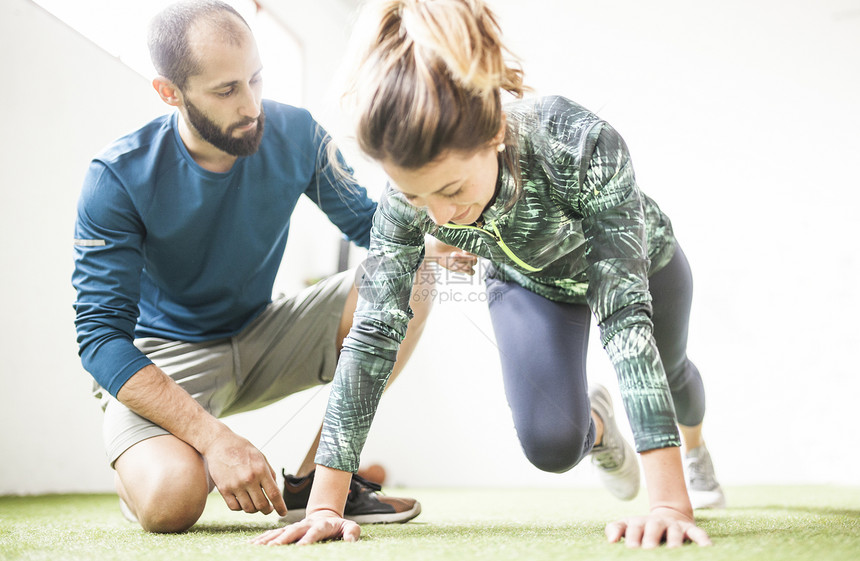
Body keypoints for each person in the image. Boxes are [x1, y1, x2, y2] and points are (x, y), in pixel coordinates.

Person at [252, 0, 725, 549]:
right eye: (415, 196)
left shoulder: (577, 140)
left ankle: (695, 453)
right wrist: (325, 505)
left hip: (642, 266)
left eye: (451, 191)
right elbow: (375, 331)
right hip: (529, 284)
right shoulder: (409, 202)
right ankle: (600, 424)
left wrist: (666, 502)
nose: (438, 217)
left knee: (673, 376)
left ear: (495, 132)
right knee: (551, 444)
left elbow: (622, 313)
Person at [71, 0, 433, 533]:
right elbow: (100, 338)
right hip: (168, 355)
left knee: (414, 275)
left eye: (256, 79)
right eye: (226, 90)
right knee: (172, 502)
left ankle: (315, 479)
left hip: (261, 332)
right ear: (170, 92)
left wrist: (455, 220)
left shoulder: (298, 133)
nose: (252, 105)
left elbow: (372, 227)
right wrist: (213, 438)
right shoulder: (116, 176)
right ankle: (150, 472)